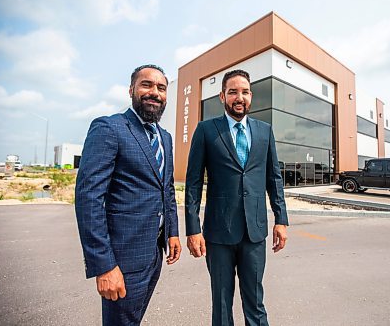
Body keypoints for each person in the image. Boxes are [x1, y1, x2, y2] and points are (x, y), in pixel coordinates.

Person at [75, 64, 182, 325]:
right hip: (122, 260)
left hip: (154, 254)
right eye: (146, 85)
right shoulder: (110, 128)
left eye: (161, 88)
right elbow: (89, 198)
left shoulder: (165, 138)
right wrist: (104, 265)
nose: (154, 92)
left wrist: (173, 232)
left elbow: (166, 188)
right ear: (131, 90)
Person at [185, 69, 289, 326]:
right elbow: (193, 183)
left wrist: (281, 219)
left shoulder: (265, 131)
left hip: (254, 233)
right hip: (218, 234)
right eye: (233, 92)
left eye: (244, 92)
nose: (238, 97)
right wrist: (192, 228)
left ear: (251, 96)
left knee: (255, 300)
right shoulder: (206, 130)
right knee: (221, 303)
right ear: (222, 96)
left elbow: (274, 179)